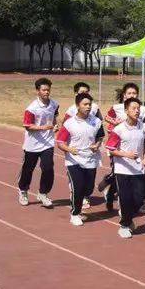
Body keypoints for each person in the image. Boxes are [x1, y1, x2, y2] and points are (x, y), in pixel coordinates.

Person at [55, 92, 104, 226]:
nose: (88, 107)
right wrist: (70, 149)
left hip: (90, 159)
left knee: (88, 189)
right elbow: (60, 142)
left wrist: (97, 144)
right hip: (74, 160)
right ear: (77, 106)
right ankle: (75, 213)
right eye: (85, 104)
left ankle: (81, 201)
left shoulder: (96, 121)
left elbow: (100, 137)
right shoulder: (69, 124)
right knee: (78, 186)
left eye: (89, 104)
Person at [105, 97, 145, 239]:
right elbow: (110, 148)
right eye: (133, 108)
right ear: (126, 111)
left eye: (138, 108)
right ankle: (124, 225)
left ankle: (129, 220)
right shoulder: (119, 130)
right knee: (125, 199)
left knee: (138, 199)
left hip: (138, 169)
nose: (137, 111)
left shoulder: (144, 127)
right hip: (122, 169)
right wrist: (126, 155)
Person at [17, 78, 59, 207]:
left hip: (47, 142)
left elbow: (54, 118)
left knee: (48, 168)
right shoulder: (31, 108)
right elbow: (27, 126)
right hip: (32, 144)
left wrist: (55, 126)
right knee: (28, 169)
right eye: (44, 90)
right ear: (38, 91)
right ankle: (23, 190)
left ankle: (43, 193)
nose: (46, 92)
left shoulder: (54, 104)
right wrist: (44, 128)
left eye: (48, 89)